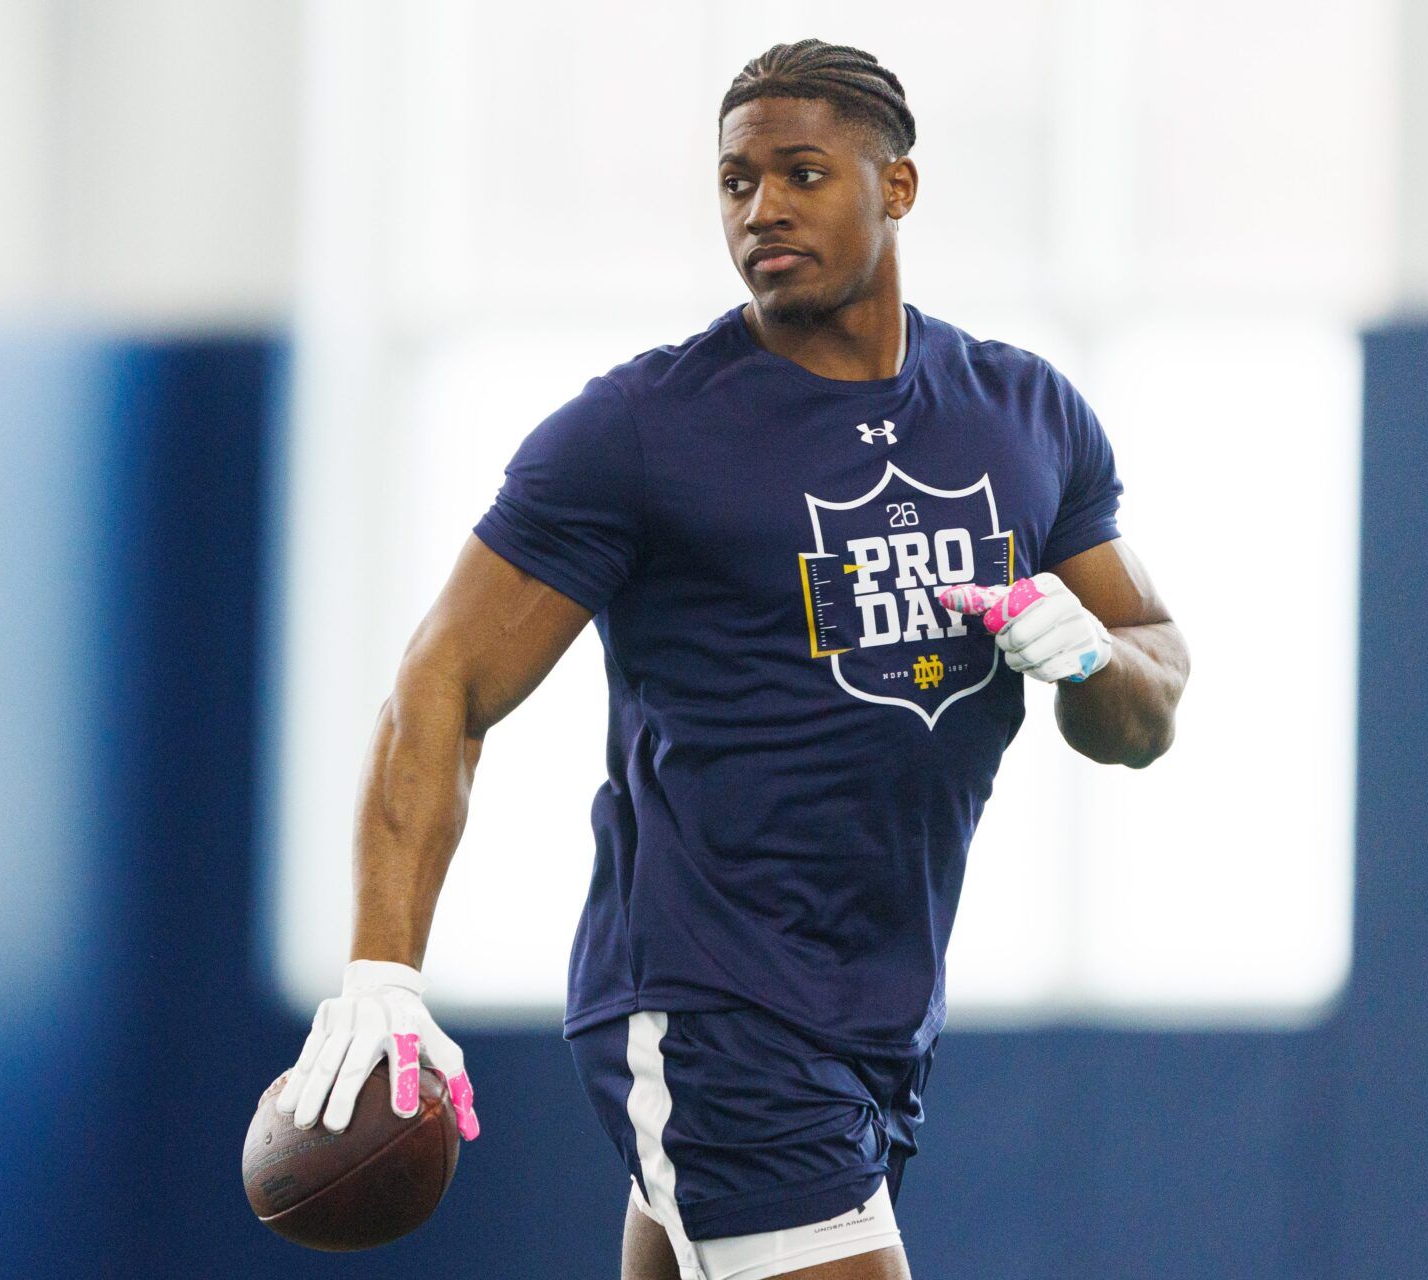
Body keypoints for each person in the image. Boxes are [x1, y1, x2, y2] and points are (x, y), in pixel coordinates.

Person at [274, 38, 1191, 1280]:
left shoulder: (1025, 415)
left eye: (801, 172)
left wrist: (1093, 664)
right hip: (713, 1004)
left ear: (898, 189)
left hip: (876, 1015)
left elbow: (1149, 699)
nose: (760, 208)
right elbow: (441, 685)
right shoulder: (640, 431)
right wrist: (382, 968)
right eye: (734, 182)